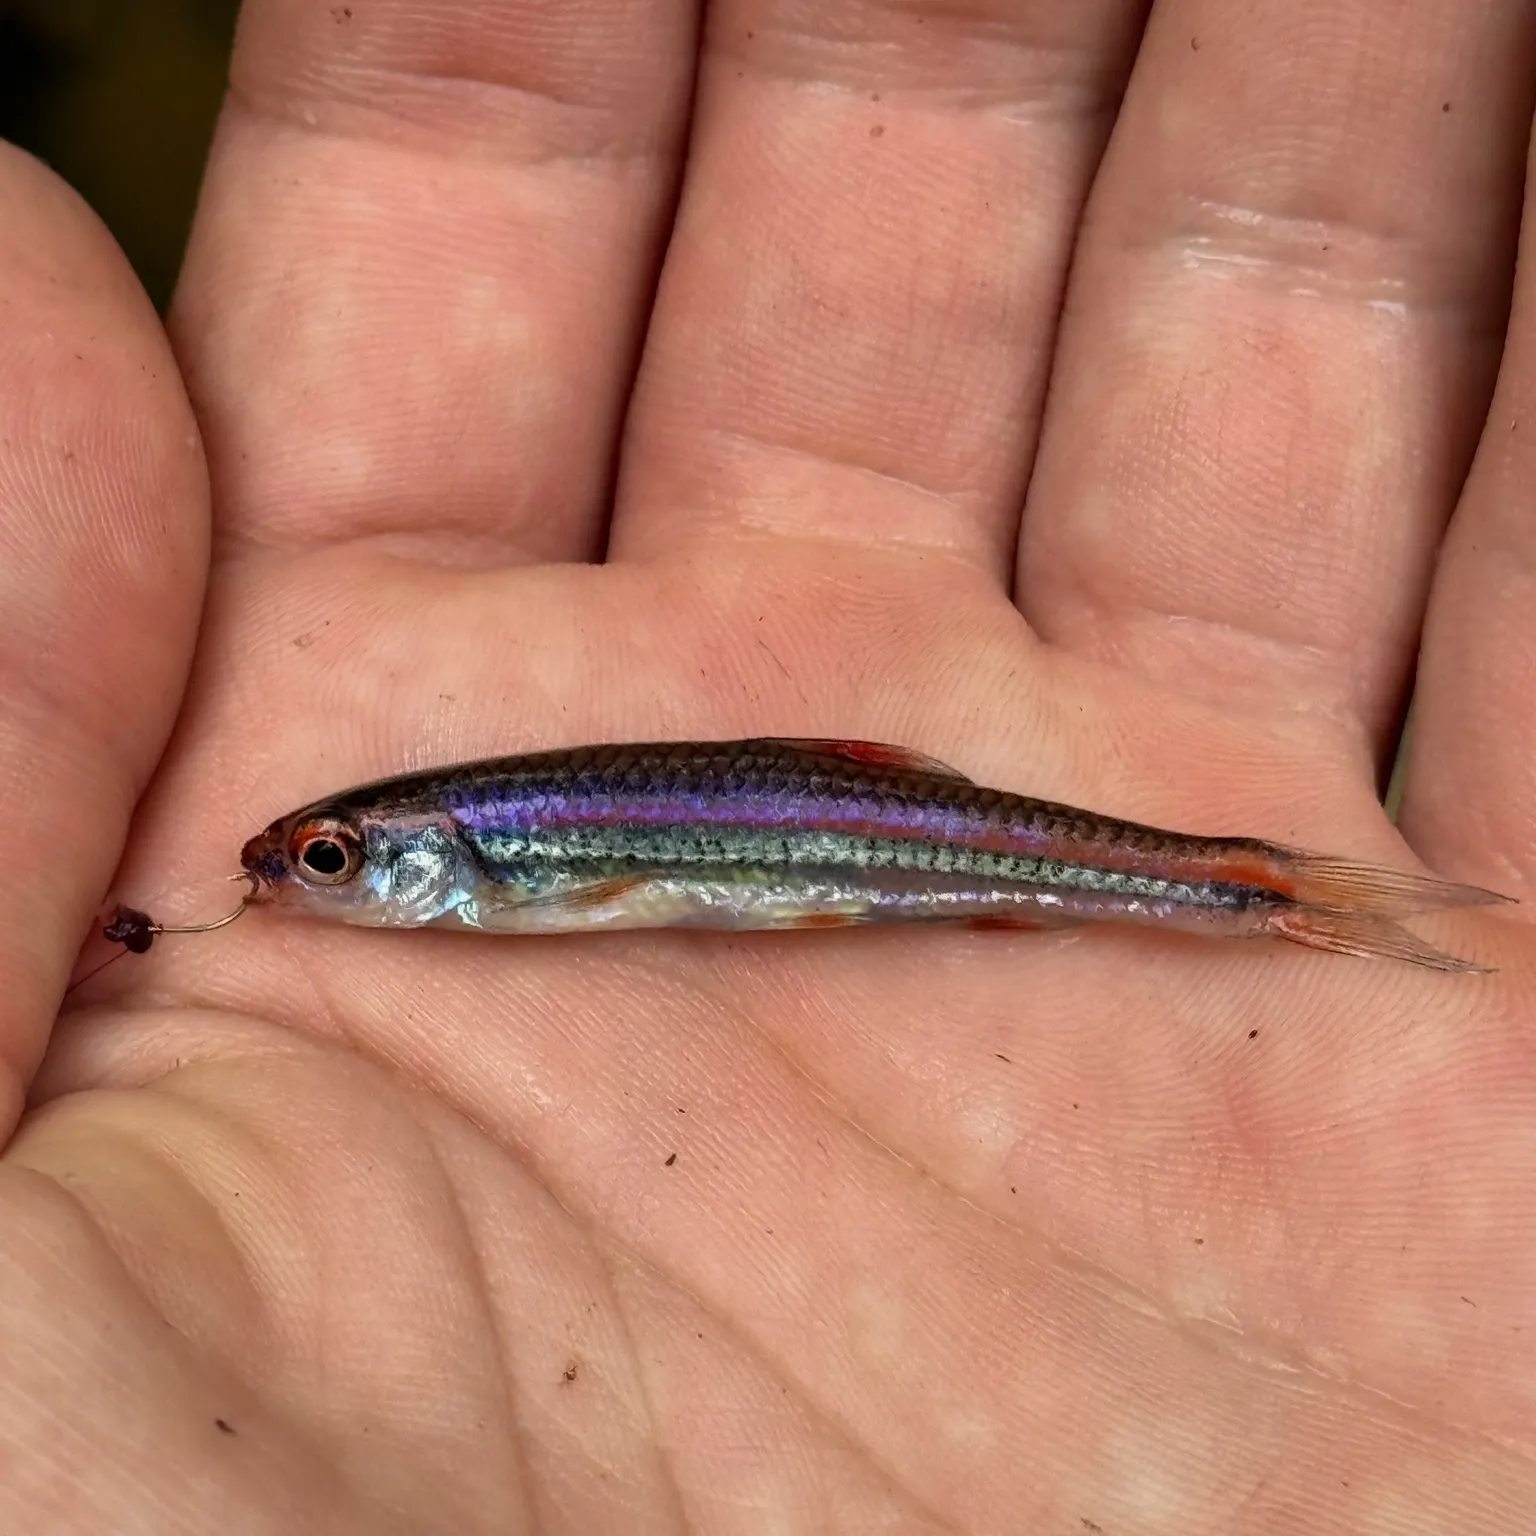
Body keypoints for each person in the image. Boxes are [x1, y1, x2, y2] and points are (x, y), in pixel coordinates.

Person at [2, 1, 1531, 1528]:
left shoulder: (509, 863)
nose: (304, 875)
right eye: (318, 861)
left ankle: (1250, 890)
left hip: (862, 846)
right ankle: (1252, 891)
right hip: (858, 851)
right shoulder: (482, 859)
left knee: (1122, 872)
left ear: (433, 857)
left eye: (330, 858)